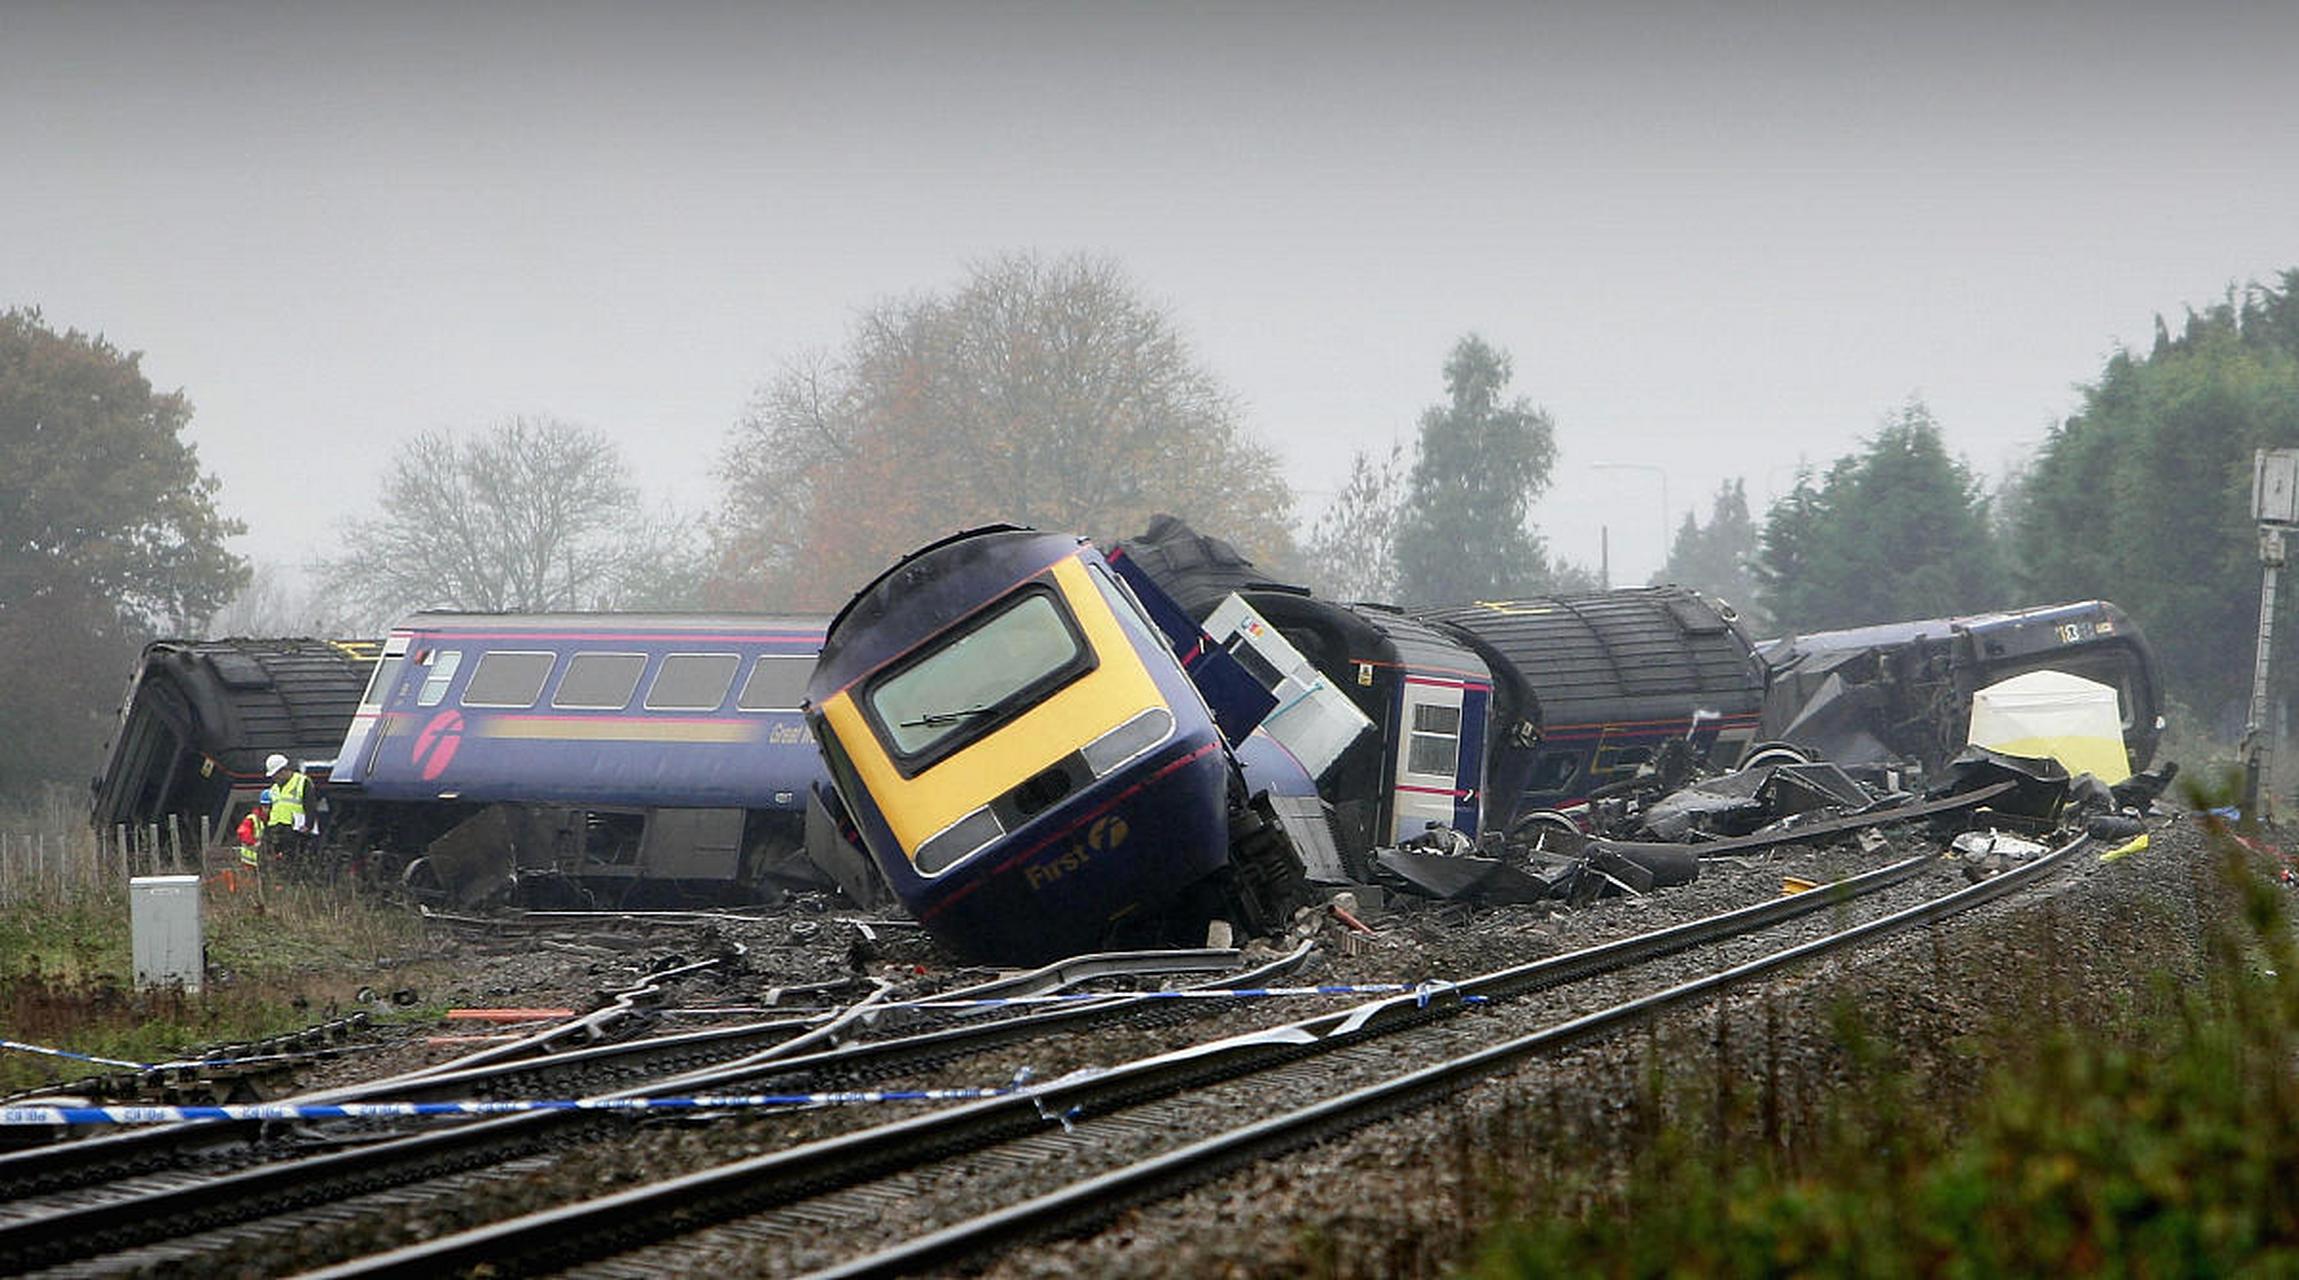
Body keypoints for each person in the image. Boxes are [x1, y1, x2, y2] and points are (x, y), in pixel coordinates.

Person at [263, 753, 314, 864]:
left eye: (276, 775)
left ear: (284, 770)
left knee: (294, 861)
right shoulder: (274, 788)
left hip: (294, 829)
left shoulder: (302, 782)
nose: (275, 778)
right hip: (276, 829)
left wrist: (308, 825)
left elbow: (310, 805)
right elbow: (273, 808)